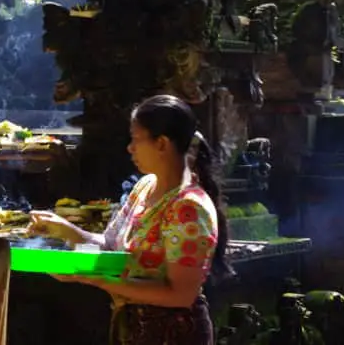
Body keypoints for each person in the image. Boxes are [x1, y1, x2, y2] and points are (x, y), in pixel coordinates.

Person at [29, 94, 229, 345]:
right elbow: (109, 247)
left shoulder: (188, 209)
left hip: (174, 333)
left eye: (136, 139)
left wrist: (96, 279)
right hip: (133, 328)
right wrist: (66, 232)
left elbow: (180, 295)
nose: (130, 148)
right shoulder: (145, 187)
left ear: (162, 144)